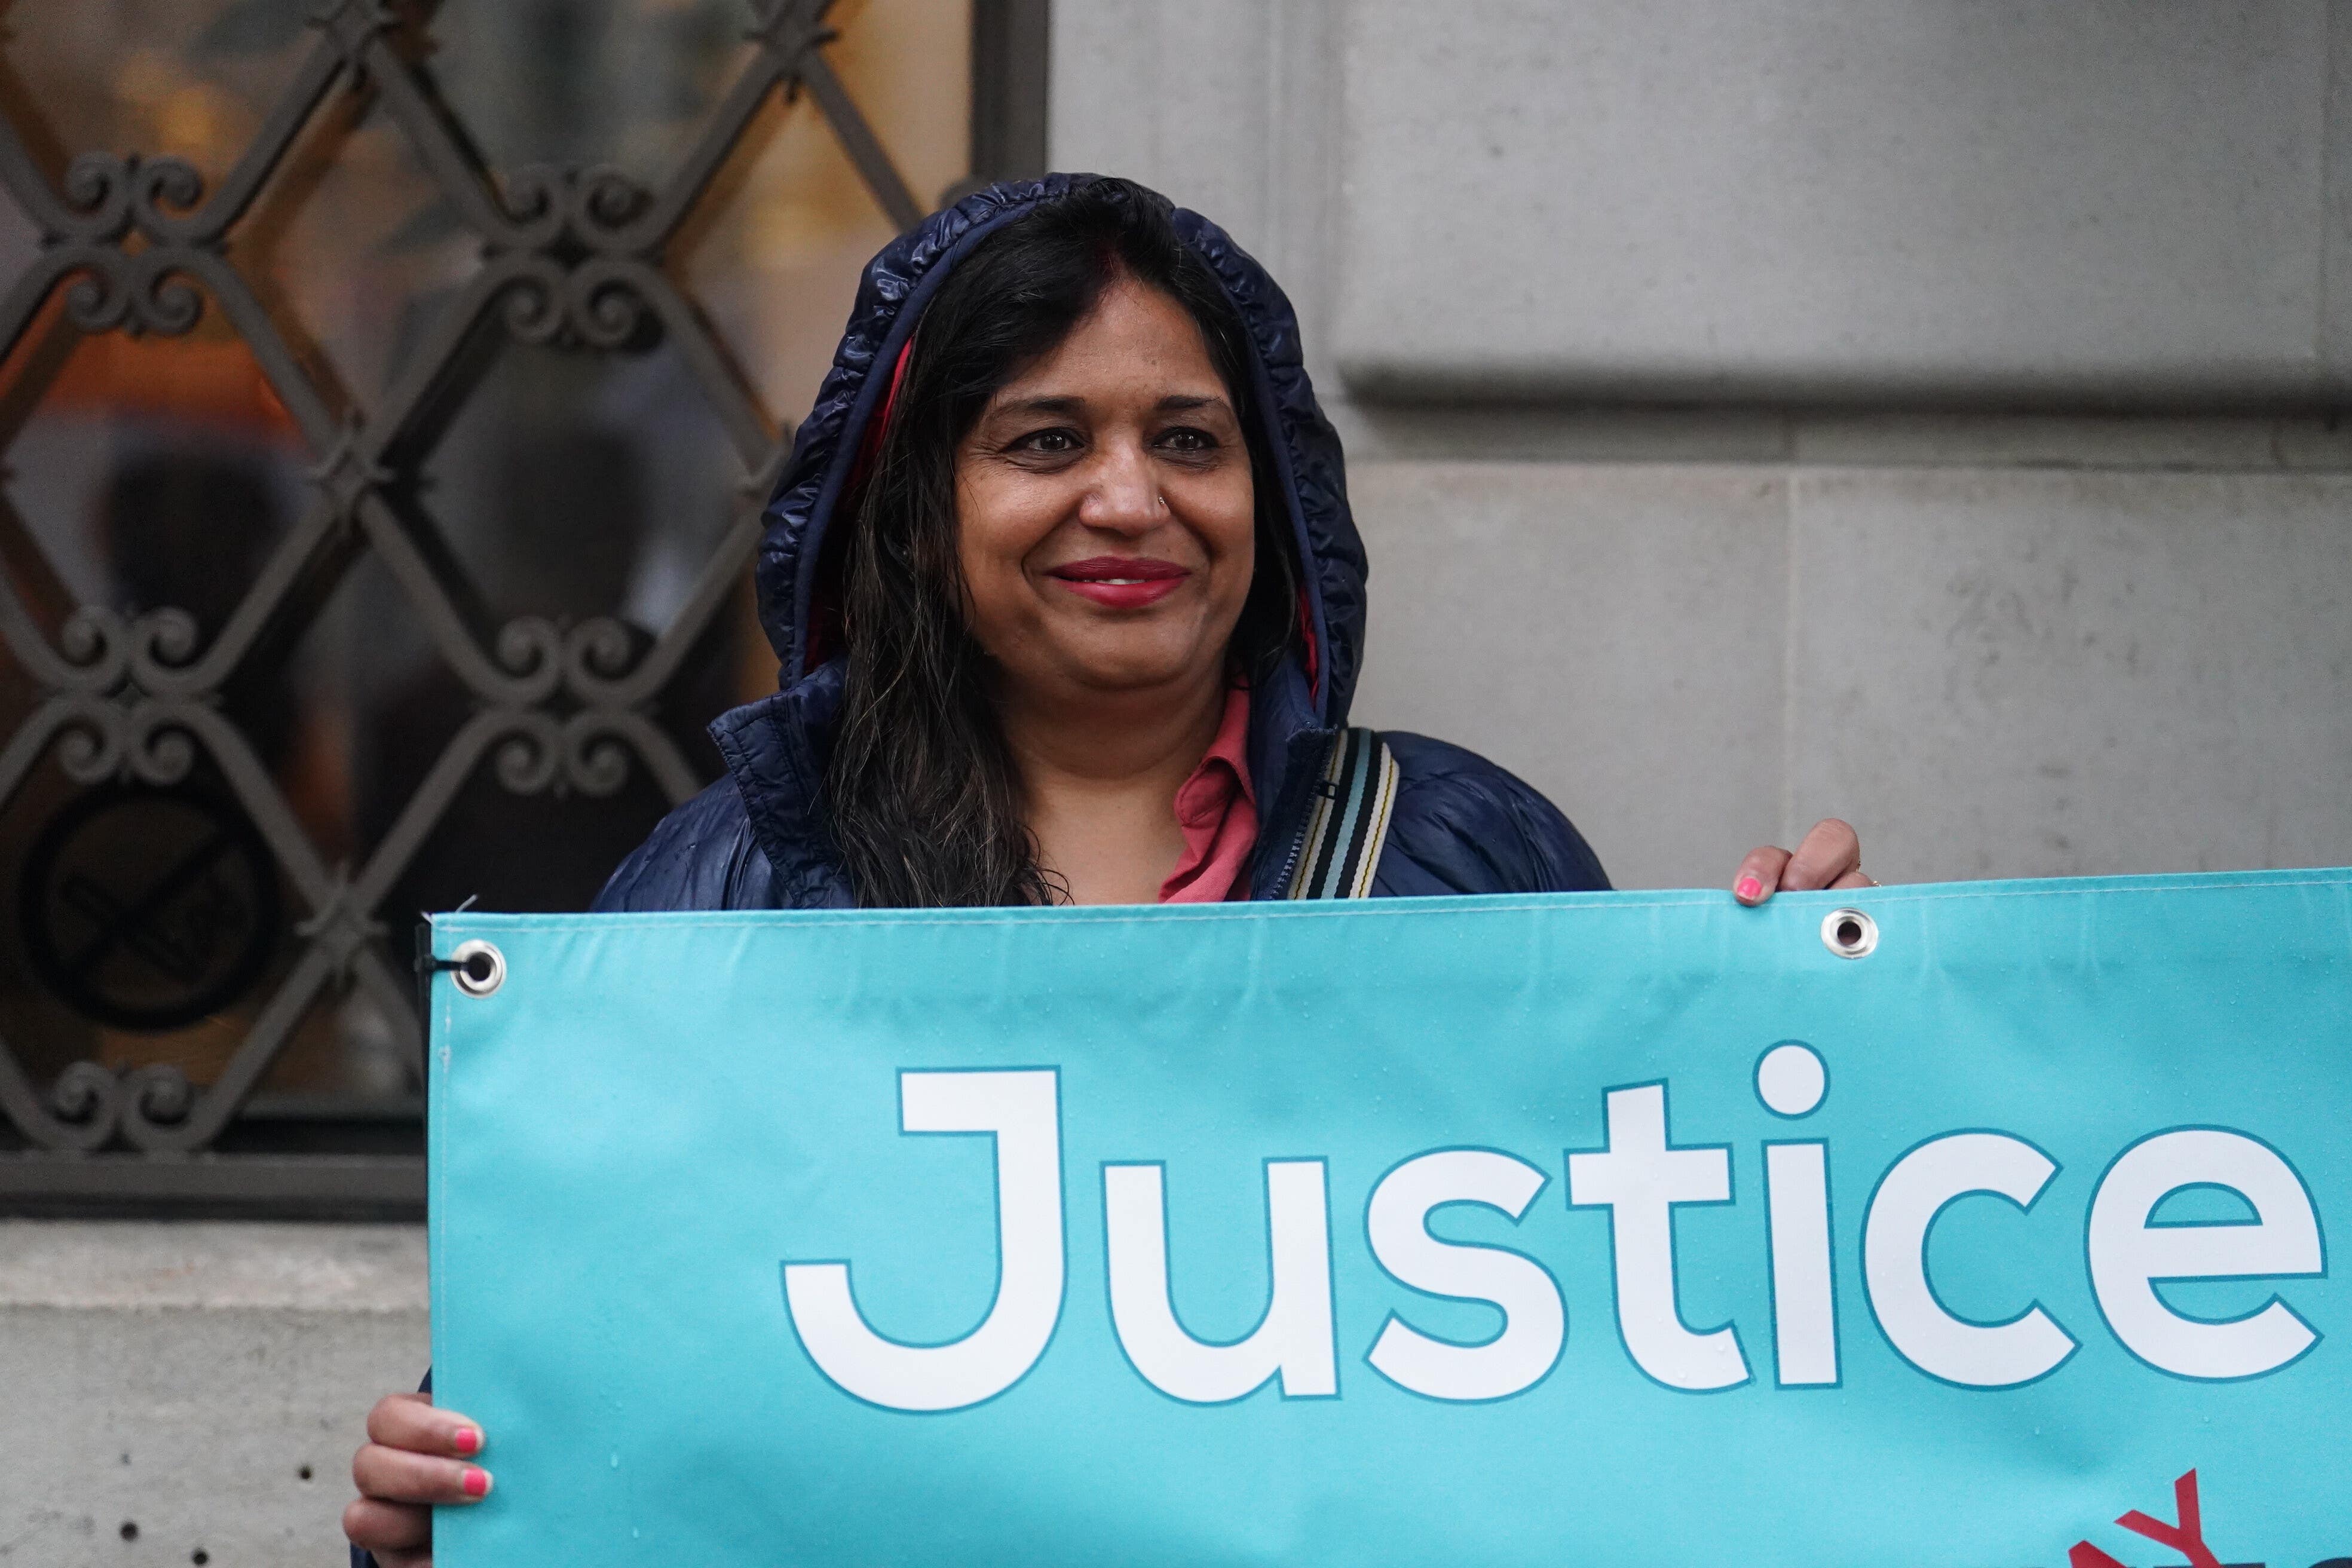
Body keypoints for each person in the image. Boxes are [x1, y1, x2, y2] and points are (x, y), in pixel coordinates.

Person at [342, 174, 1868, 1566]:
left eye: (1189, 441)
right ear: (920, 505)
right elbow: (587, 1413)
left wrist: (1794, 1071)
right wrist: (427, 1529)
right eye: (1045, 440)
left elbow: (1667, 1385)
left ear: (1271, 502)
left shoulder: (1463, 857)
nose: (1131, 499)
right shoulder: (740, 885)